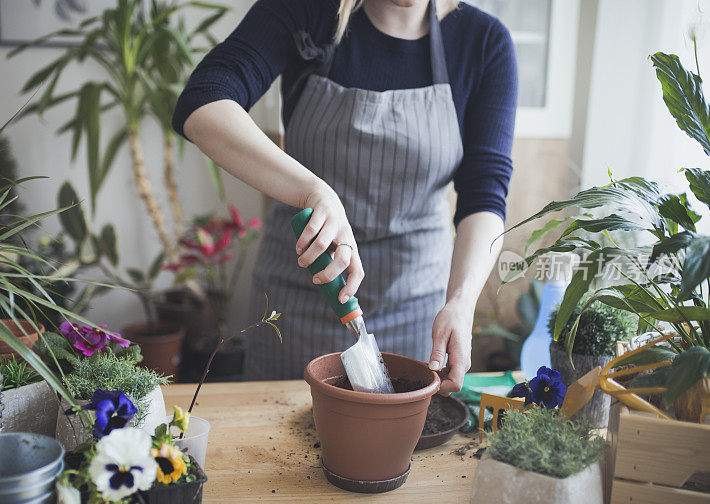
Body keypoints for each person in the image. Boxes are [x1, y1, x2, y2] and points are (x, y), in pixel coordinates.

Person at [172, 0, 517, 394]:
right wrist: (312, 189)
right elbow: (202, 103)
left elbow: (484, 195)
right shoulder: (308, 11)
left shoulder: (483, 41)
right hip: (293, 307)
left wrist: (460, 300)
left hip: (417, 308)